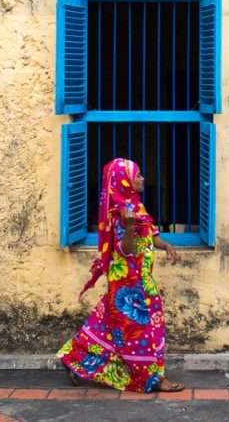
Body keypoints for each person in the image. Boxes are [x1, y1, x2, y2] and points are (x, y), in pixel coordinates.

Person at [58, 158, 184, 392]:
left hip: (142, 278)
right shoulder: (119, 213)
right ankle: (151, 379)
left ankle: (73, 358)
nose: (142, 179)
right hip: (129, 286)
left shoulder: (137, 206)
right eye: (137, 175)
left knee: (105, 324)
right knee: (143, 330)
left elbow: (149, 235)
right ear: (124, 180)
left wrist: (165, 245)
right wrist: (128, 227)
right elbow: (124, 250)